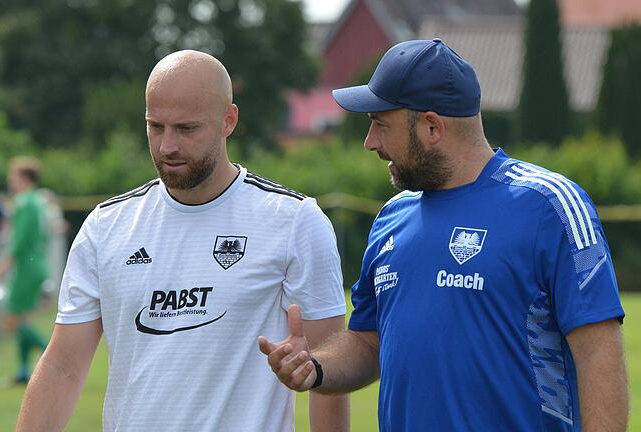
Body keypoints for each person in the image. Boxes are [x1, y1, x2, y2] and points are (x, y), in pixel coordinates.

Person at [258, 39, 628, 432]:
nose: (370, 143)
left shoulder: (548, 205)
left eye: (381, 124)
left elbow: (596, 354)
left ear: (432, 127)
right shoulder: (391, 218)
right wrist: (315, 366)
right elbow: (369, 344)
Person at [16, 50, 349, 432]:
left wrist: (314, 367)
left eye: (187, 129)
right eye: (155, 126)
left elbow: (330, 372)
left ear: (229, 120)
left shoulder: (293, 221)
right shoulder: (106, 226)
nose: (167, 146)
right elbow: (62, 366)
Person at [0, 157, 49, 384]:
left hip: (27, 267)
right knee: (22, 318)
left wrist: (2, 268)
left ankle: (48, 354)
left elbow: (19, 241)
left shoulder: (24, 202)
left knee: (12, 319)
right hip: (36, 264)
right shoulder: (38, 201)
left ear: (23, 178)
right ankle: (23, 371)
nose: (10, 181)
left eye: (12, 176)